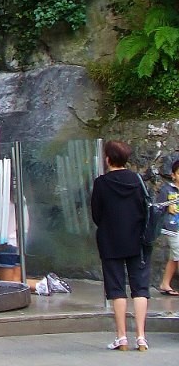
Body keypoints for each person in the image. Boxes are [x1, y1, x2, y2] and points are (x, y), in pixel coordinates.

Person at [90, 139, 150, 352]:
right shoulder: (136, 180)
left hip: (110, 240)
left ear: (107, 159)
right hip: (137, 240)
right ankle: (141, 337)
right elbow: (145, 208)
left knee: (116, 288)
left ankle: (122, 337)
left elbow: (96, 214)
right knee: (140, 288)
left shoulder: (101, 183)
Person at [156, 159, 179, 295]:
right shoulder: (167, 190)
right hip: (172, 229)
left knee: (174, 257)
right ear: (173, 175)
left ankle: (165, 284)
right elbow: (158, 208)